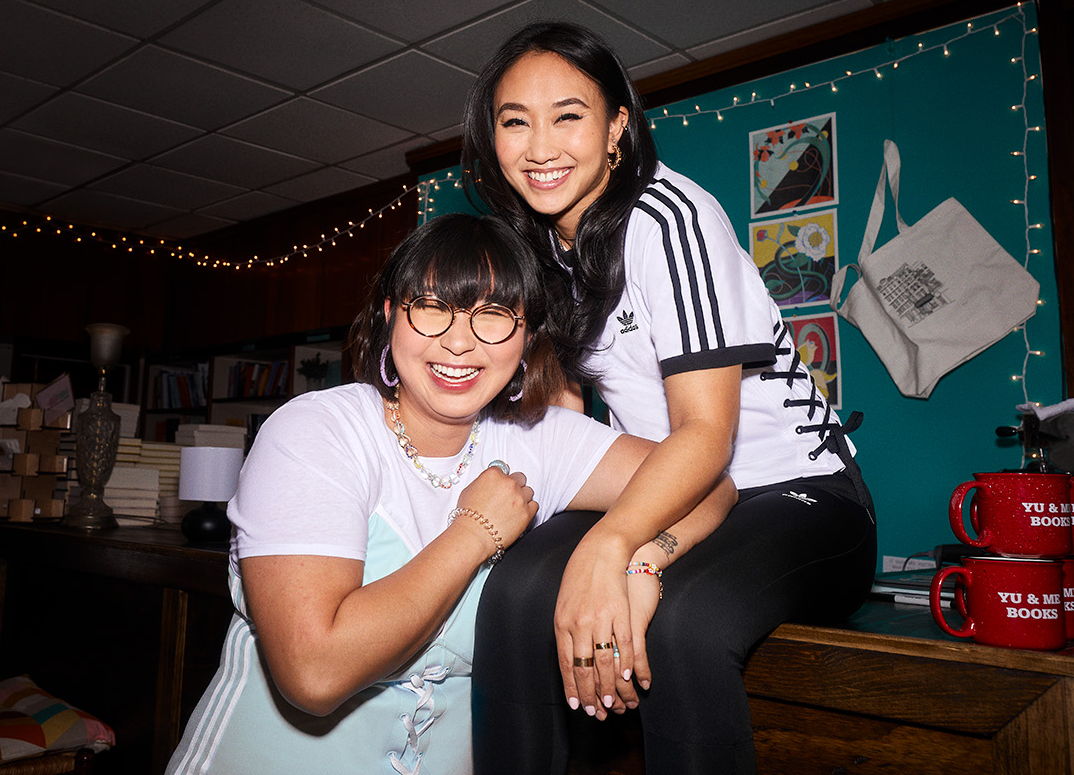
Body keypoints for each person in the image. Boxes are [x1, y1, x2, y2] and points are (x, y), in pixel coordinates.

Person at [165, 213, 737, 775]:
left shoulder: (540, 439)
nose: (459, 342)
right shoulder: (315, 433)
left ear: (526, 337)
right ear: (391, 316)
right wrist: (475, 532)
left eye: (493, 316)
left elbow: (707, 483)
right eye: (434, 308)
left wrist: (631, 555)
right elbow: (314, 673)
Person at [464, 21, 878, 774]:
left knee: (687, 624)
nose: (540, 145)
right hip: (670, 488)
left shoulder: (668, 217)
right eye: (514, 121)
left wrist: (615, 548)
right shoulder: (540, 250)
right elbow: (567, 426)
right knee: (516, 593)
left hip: (802, 497)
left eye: (568, 115)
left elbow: (704, 435)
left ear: (617, 125)